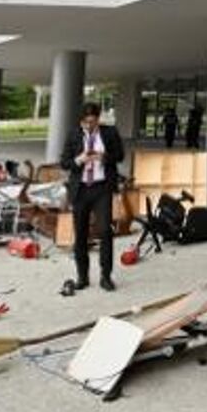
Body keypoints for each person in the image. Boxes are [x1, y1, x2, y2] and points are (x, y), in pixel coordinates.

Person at [67, 101, 125, 292]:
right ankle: (82, 277)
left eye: (93, 122)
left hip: (102, 188)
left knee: (105, 231)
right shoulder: (74, 134)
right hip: (81, 190)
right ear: (81, 121)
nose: (90, 126)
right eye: (86, 122)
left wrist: (104, 157)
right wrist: (79, 159)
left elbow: (120, 155)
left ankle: (106, 277)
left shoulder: (110, 132)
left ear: (98, 119)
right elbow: (64, 162)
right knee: (81, 234)